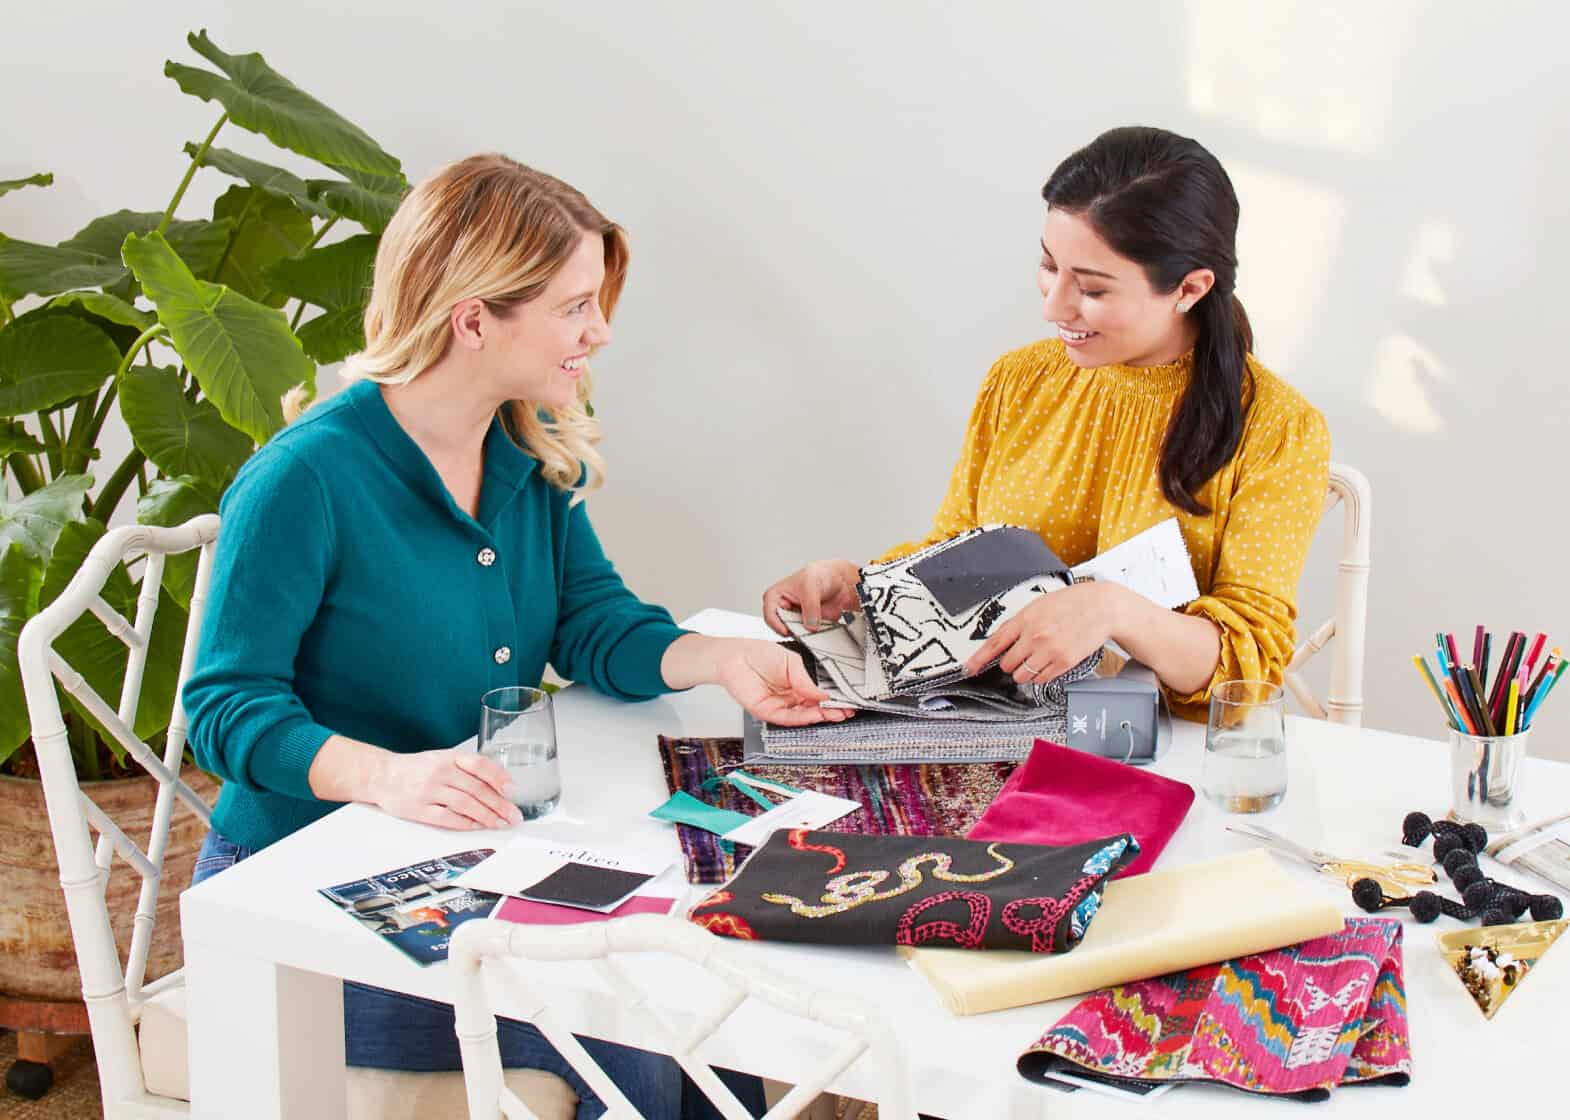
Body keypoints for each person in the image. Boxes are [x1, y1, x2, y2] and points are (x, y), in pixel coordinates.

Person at [183, 153, 839, 1118]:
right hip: (313, 899)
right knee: (643, 1040)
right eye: (576, 306)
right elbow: (222, 709)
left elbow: (592, 623)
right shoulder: (306, 481)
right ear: (475, 317)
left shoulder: (523, 449)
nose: (599, 333)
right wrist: (387, 775)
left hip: (473, 857)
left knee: (705, 1009)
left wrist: (721, 660)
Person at [763, 126, 1331, 722]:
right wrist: (862, 584)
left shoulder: (1278, 428)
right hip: (990, 725)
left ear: (1189, 287)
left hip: (1161, 754)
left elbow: (1249, 669)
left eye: (1090, 287)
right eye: (1048, 264)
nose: (1054, 307)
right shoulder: (1020, 380)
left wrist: (1113, 611)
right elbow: (957, 553)